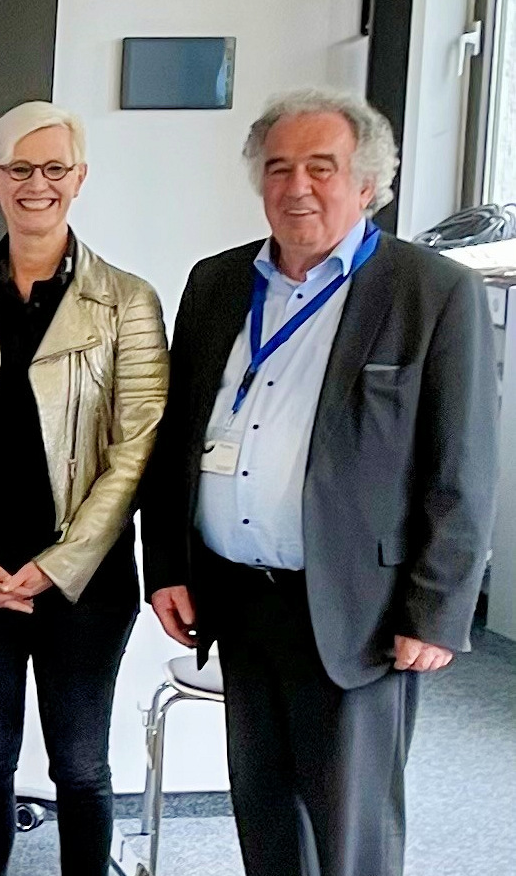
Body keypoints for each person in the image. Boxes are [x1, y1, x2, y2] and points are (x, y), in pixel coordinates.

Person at [141, 88, 498, 876]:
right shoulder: (216, 283)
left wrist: (436, 611)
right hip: (238, 597)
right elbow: (176, 437)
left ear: (366, 184)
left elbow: (462, 466)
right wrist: (164, 564)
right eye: (277, 167)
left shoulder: (432, 291)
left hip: (357, 609)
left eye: (320, 167)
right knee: (265, 819)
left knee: (348, 838)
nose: (295, 186)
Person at [0, 101, 167, 876]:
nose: (35, 184)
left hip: (85, 582)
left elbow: (136, 449)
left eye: (53, 168)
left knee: (79, 765)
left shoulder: (127, 302)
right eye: (18, 168)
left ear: (78, 179)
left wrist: (59, 564)